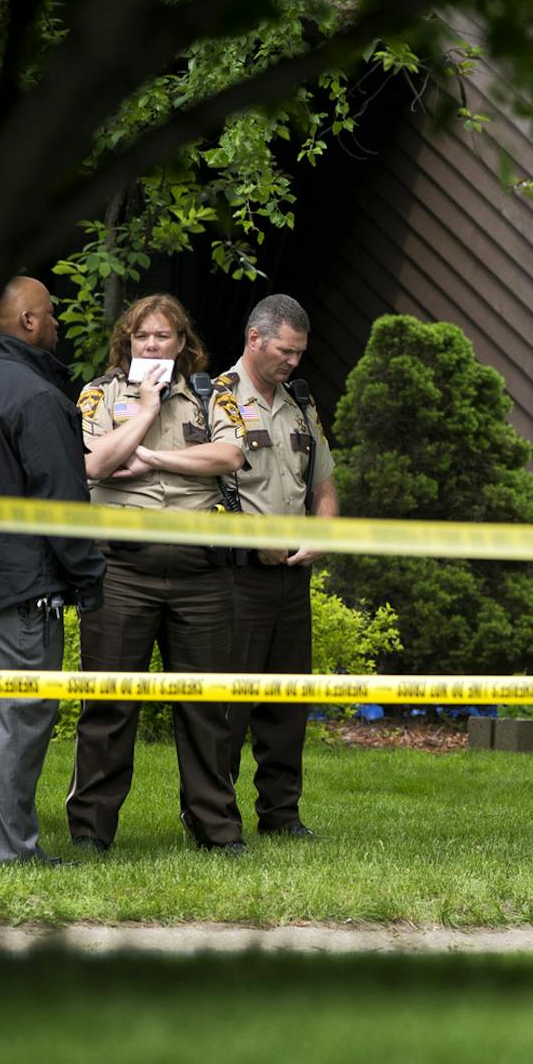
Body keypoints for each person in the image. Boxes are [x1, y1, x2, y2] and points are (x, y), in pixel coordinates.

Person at [66, 294, 250, 855]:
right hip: (122, 568)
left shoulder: (211, 394)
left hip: (201, 573)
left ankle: (215, 829)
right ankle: (92, 832)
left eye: (162, 336)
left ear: (180, 344)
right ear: (128, 342)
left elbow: (231, 456)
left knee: (206, 706)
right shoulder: (100, 393)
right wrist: (144, 412)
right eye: (142, 336)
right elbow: (94, 464)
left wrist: (150, 458)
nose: (152, 344)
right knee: (108, 703)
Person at [0, 276, 107, 865]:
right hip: (22, 589)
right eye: (52, 314)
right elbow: (61, 501)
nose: (59, 323)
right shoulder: (34, 396)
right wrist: (89, 576)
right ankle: (11, 853)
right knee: (18, 718)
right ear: (30, 323)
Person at [217, 294, 336, 839]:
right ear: (254, 340)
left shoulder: (301, 404)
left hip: (293, 577)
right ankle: (216, 817)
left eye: (300, 353)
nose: (294, 362)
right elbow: (198, 490)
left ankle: (281, 815)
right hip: (235, 576)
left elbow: (324, 483)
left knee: (288, 703)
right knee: (228, 706)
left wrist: (323, 530)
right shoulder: (210, 400)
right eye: (286, 351)